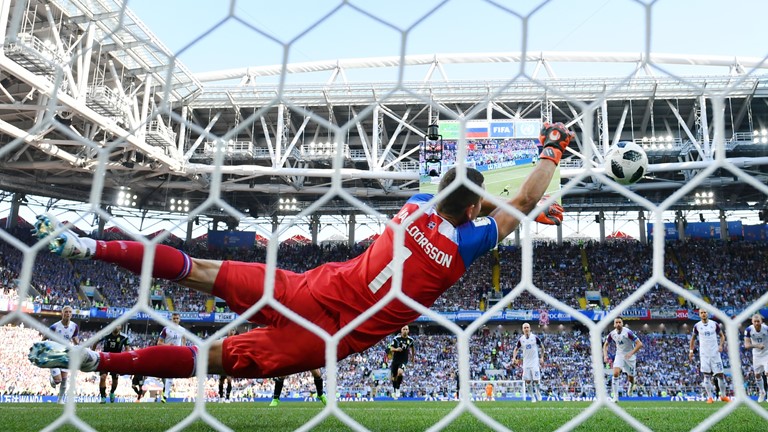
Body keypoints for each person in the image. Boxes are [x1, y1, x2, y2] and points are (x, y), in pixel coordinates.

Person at [27, 123, 571, 382]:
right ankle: (96, 361)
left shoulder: (413, 206)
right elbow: (519, 197)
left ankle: (84, 244)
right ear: (475, 208)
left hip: (304, 290)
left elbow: (491, 202)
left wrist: (525, 200)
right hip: (325, 338)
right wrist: (549, 156)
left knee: (199, 270)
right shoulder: (460, 250)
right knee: (206, 360)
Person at [689, 309, 731, 403]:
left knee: (720, 375)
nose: (703, 314)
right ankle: (710, 398)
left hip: (715, 353)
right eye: (701, 313)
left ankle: (723, 396)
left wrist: (721, 345)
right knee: (706, 375)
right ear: (699, 315)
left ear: (707, 313)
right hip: (704, 354)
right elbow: (692, 339)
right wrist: (691, 351)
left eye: (705, 312)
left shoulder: (714, 324)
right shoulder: (697, 326)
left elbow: (722, 336)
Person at [602, 317, 643, 402]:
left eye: (619, 322)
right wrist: (605, 356)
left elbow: (639, 344)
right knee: (616, 373)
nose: (618, 324)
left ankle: (631, 386)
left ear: (622, 323)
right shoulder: (612, 334)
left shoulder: (628, 332)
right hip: (619, 355)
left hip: (630, 356)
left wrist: (631, 353)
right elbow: (605, 345)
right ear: (614, 324)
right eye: (616, 322)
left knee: (630, 378)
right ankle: (616, 397)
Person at [46, 305, 80, 404]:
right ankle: (53, 380)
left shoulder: (74, 326)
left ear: (72, 314)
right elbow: (45, 337)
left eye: (70, 312)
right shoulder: (54, 326)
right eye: (66, 312)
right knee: (58, 381)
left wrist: (79, 346)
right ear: (62, 313)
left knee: (65, 379)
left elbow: (74, 338)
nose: (68, 314)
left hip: (65, 354)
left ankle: (60, 400)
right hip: (54, 354)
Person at [95, 324, 132, 403]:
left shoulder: (124, 337)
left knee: (115, 380)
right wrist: (92, 352)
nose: (116, 327)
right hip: (105, 359)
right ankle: (103, 397)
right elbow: (95, 341)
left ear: (120, 327)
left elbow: (127, 349)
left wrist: (126, 359)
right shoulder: (105, 335)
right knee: (102, 377)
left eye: (118, 325)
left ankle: (112, 392)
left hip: (116, 360)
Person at [511, 322, 544, 403]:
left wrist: (542, 357)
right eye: (524, 328)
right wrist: (514, 358)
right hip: (526, 363)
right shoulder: (521, 340)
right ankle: (532, 397)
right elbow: (515, 349)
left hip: (535, 362)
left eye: (527, 327)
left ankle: (538, 392)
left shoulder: (535, 337)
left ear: (530, 328)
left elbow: (542, 347)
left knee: (536, 380)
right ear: (522, 329)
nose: (526, 329)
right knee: (528, 381)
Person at [157, 312, 186, 402]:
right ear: (171, 319)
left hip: (176, 354)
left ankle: (165, 395)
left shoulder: (183, 330)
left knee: (170, 373)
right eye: (174, 318)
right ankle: (166, 389)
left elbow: (184, 343)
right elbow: (159, 343)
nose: (175, 320)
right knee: (162, 374)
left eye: (177, 318)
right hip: (165, 353)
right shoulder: (166, 329)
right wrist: (167, 345)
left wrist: (183, 352)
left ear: (179, 319)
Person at [744, 313, 768, 403]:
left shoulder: (766, 329)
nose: (757, 323)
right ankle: (762, 392)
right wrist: (757, 346)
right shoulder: (749, 330)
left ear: (761, 321)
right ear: (752, 322)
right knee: (757, 375)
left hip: (767, 353)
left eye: (758, 321)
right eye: (755, 321)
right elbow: (746, 345)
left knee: (767, 372)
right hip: (757, 355)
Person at [389, 325, 416, 399]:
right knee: (394, 377)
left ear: (408, 330)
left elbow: (413, 349)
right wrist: (396, 349)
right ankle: (394, 389)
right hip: (395, 360)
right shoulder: (396, 339)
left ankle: (398, 388)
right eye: (404, 329)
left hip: (404, 360)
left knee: (400, 372)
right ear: (401, 330)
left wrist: (413, 358)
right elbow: (391, 348)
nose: (405, 330)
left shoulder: (410, 340)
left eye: (406, 329)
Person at [218, 328, 238, 403]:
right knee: (221, 380)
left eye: (233, 330)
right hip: (223, 361)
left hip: (230, 362)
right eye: (230, 330)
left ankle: (227, 397)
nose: (231, 331)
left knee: (229, 380)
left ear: (235, 332)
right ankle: (221, 397)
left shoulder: (236, 340)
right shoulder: (223, 339)